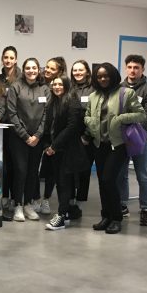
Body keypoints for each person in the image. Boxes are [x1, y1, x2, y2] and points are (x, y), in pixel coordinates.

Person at [84, 63, 145, 235]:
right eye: (99, 77)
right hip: (99, 144)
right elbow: (87, 115)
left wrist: (120, 118)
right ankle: (106, 216)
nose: (103, 79)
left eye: (106, 76)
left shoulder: (126, 93)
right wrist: (89, 122)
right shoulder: (93, 96)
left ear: (113, 76)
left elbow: (141, 114)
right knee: (102, 182)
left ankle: (116, 218)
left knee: (108, 179)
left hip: (117, 145)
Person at [43, 77, 90, 231]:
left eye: (60, 84)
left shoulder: (72, 102)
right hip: (55, 151)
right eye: (54, 84)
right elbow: (48, 126)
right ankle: (66, 212)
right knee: (61, 182)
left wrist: (55, 146)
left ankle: (61, 216)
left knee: (64, 184)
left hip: (68, 150)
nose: (57, 87)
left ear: (67, 86)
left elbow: (72, 127)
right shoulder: (52, 102)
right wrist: (47, 145)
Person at [6, 58, 49, 222]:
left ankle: (28, 204)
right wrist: (25, 135)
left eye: (34, 68)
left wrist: (38, 135)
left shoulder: (45, 89)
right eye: (28, 68)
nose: (31, 71)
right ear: (23, 70)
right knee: (20, 171)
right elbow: (12, 113)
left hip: (37, 139)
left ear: (38, 70)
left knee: (33, 172)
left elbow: (47, 114)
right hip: (18, 138)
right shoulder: (15, 87)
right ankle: (18, 204)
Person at [118, 54, 147, 226]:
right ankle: (122, 205)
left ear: (142, 69)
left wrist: (133, 131)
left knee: (143, 175)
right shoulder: (119, 88)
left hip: (139, 138)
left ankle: (145, 209)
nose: (132, 70)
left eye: (136, 68)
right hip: (120, 138)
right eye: (130, 67)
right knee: (121, 174)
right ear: (126, 68)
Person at [39, 56, 68, 215]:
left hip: (58, 142)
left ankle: (49, 201)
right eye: (47, 67)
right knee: (42, 171)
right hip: (42, 137)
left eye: (52, 68)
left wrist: (54, 145)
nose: (48, 70)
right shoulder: (41, 84)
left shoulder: (64, 93)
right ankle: (37, 199)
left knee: (56, 175)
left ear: (60, 71)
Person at [69, 60, 94, 220]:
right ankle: (70, 201)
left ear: (87, 72)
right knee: (70, 171)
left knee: (84, 171)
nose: (77, 73)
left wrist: (87, 136)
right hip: (70, 137)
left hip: (87, 138)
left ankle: (80, 203)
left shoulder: (93, 89)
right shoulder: (69, 88)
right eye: (75, 70)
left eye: (80, 70)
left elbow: (95, 114)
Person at [0, 45, 20, 214]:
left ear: (16, 59)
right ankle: (4, 195)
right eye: (6, 57)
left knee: (15, 165)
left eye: (11, 58)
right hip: (0, 126)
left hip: (16, 126)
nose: (8, 60)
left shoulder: (21, 77)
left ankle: (15, 198)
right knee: (3, 165)